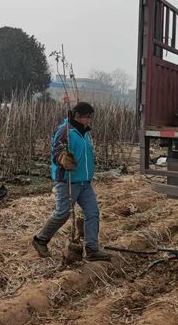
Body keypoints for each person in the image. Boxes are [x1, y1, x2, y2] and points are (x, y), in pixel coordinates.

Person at [32, 101, 111, 261]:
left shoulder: (84, 132)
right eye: (87, 117)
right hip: (69, 181)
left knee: (93, 213)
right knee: (62, 213)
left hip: (84, 182)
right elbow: (56, 152)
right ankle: (40, 239)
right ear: (76, 116)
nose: (89, 120)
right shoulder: (65, 131)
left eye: (90, 117)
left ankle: (92, 249)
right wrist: (63, 158)